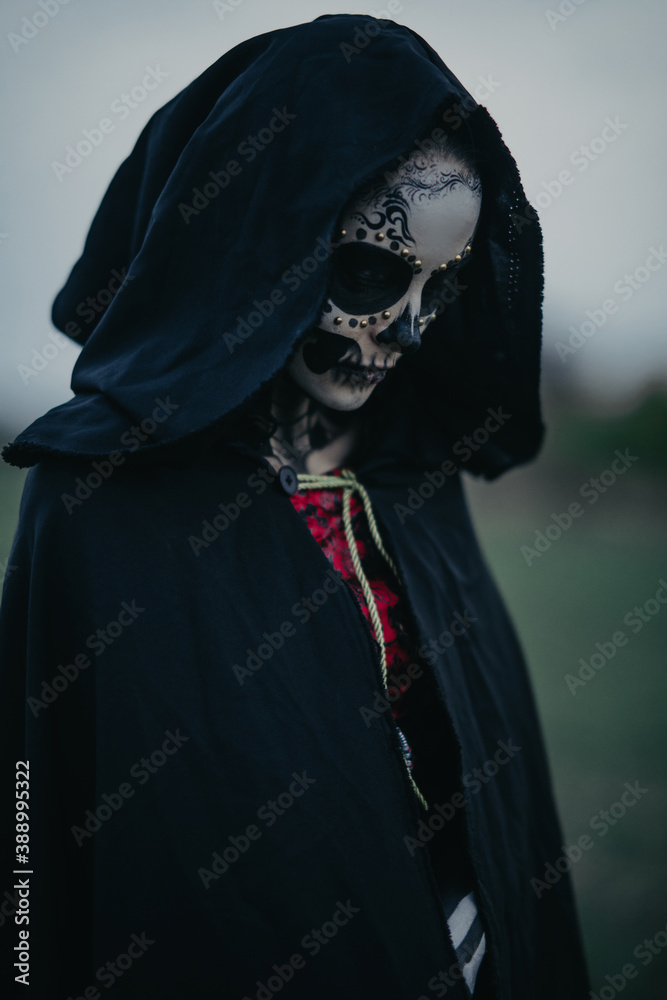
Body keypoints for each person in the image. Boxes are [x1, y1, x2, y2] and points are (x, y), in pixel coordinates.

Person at [0, 14, 591, 999]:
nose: (403, 330)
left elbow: (498, 795)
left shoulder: (414, 478)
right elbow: (33, 833)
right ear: (258, 250)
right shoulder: (97, 502)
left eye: (438, 289)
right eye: (368, 272)